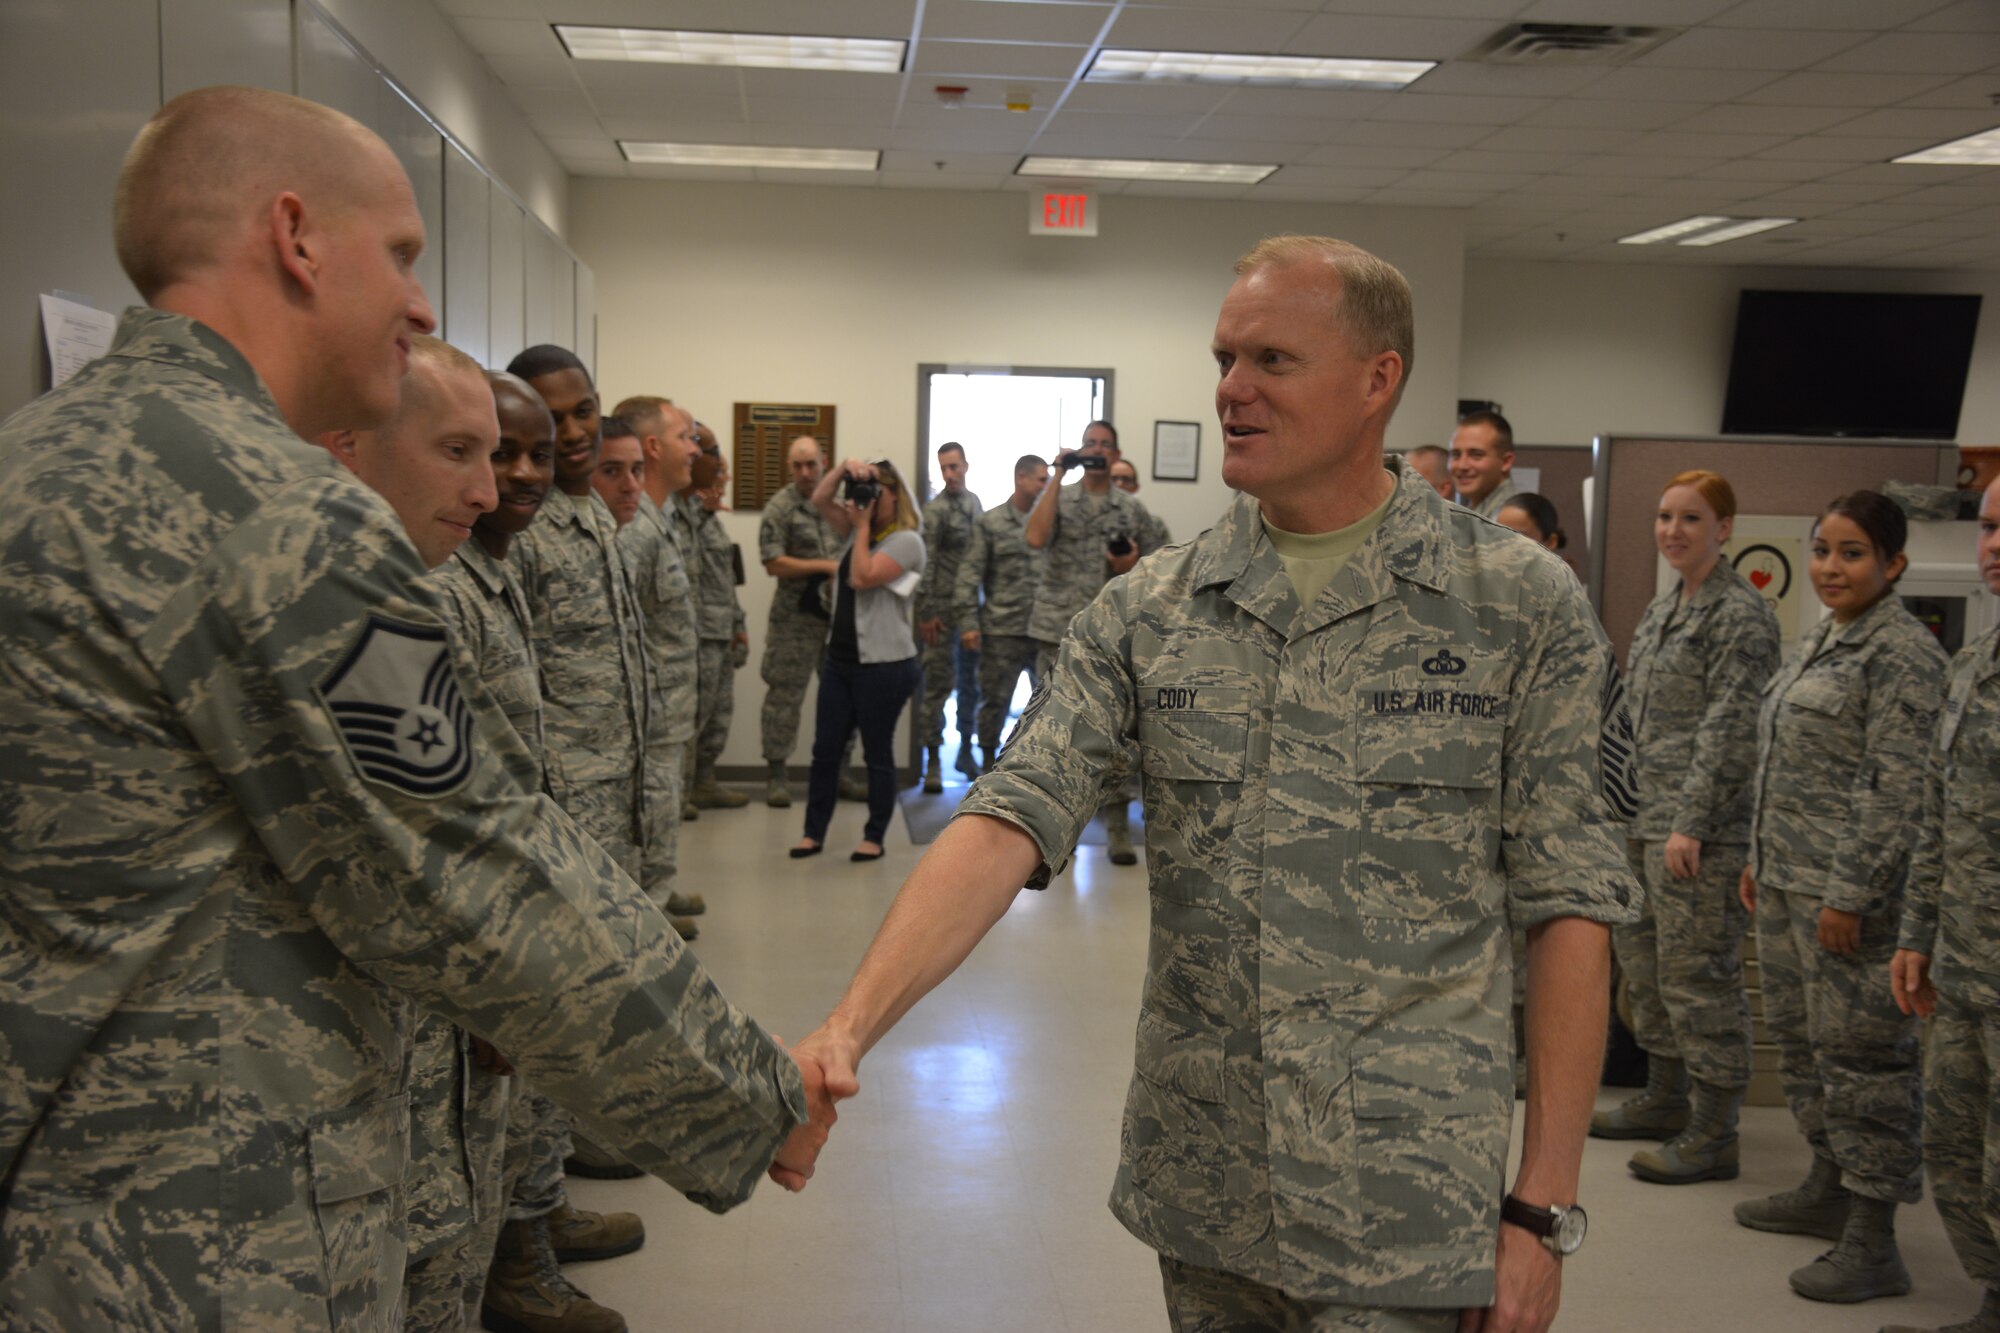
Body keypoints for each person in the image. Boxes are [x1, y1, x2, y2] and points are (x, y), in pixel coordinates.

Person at [0, 84, 831, 1329]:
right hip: (213, 1225)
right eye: (397, 253)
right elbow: (470, 866)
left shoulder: (35, 461)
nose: (422, 304)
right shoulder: (270, 504)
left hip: (62, 1196)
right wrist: (747, 1092)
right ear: (293, 237)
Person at [794, 235, 1639, 1333]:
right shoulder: (1155, 608)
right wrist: (847, 1028)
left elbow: (1567, 906)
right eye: (1223, 358)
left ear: (1377, 378)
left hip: (1407, 1199)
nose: (1230, 390)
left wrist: (1541, 1207)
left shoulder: (1515, 608)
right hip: (1208, 1189)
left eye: (1271, 362)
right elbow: (1007, 815)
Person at [1732, 491, 1944, 1305]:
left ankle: (1874, 1236)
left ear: (1893, 564)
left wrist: (1849, 892)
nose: (1829, 566)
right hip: (1787, 883)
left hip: (1848, 901)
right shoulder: (1823, 634)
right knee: (1803, 1044)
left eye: (1852, 552)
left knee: (1863, 1062)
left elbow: (1892, 791)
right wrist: (1758, 854)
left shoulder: (1902, 654)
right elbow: (1784, 753)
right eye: (1822, 549)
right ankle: (1827, 1180)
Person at [1593, 469, 1780, 1187]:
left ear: (1724, 529)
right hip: (1644, 820)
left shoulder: (1741, 614)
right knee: (1648, 973)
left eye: (1692, 519)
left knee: (1700, 979)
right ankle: (1665, 1098)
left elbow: (1731, 731)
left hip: (1696, 834)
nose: (1674, 530)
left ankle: (1713, 1129)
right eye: (1666, 517)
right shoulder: (1666, 607)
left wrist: (1691, 823)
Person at [1885, 473, 2000, 1333]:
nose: (1992, 545)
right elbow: (1937, 809)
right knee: (1956, 1151)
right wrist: (1917, 931)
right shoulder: (1973, 662)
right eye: (1988, 528)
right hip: (1964, 960)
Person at [1025, 419, 1160, 866]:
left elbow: (1160, 560)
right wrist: (1059, 473)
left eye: (1104, 445)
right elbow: (1036, 536)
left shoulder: (1130, 507)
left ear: (1116, 454)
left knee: (1115, 730)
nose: (1097, 451)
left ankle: (1118, 827)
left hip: (1111, 633)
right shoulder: (1058, 497)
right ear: (1080, 451)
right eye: (1089, 444)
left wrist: (1133, 560)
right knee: (1051, 728)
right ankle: (1050, 833)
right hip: (1057, 629)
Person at [599, 408, 703, 938]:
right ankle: (651, 900)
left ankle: (659, 884)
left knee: (664, 802)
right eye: (685, 437)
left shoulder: (659, 518)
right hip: (652, 704)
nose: (696, 449)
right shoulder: (635, 530)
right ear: (655, 446)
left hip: (671, 698)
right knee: (653, 802)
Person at [790, 458, 925, 863]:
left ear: (895, 493)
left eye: (875, 489)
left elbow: (862, 578)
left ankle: (874, 836)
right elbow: (819, 497)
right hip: (841, 660)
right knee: (825, 750)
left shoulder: (906, 541)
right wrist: (846, 470)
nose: (865, 498)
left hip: (885, 665)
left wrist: (862, 526)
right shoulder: (856, 532)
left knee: (877, 754)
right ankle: (813, 833)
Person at [759, 435, 843, 807]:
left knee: (843, 699)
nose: (806, 472)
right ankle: (777, 774)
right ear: (790, 467)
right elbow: (773, 561)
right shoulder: (781, 507)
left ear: (824, 462)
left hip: (836, 620)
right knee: (783, 698)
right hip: (794, 620)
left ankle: (840, 773)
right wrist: (825, 566)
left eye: (811, 464)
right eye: (798, 465)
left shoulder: (839, 504)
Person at [953, 454, 1050, 770]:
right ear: (1021, 477)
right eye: (1041, 479)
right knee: (994, 704)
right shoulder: (991, 523)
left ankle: (1038, 773)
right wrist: (968, 624)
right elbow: (969, 574)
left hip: (1043, 632)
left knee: (1050, 707)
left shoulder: (1050, 522)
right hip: (1001, 632)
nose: (1046, 485)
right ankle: (985, 768)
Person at [685, 451, 752, 811]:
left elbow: (724, 580)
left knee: (719, 713)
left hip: (722, 629)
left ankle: (705, 782)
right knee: (696, 713)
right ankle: (682, 791)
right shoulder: (688, 516)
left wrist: (738, 624)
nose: (725, 478)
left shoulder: (712, 520)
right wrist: (700, 511)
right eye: (721, 471)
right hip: (700, 633)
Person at [917, 441, 983, 792]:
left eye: (954, 467)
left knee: (971, 685)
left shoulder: (975, 504)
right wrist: (927, 611)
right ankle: (932, 761)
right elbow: (926, 563)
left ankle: (966, 750)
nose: (950, 474)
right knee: (937, 686)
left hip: (971, 611)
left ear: (966, 466)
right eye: (944, 468)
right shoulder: (936, 511)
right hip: (941, 612)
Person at [1451, 410, 1517, 518]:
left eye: (1476, 455)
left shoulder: (1509, 518)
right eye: (1456, 455)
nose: (1462, 465)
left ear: (1506, 462)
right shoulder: (1475, 512)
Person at [1111, 456, 1174, 553]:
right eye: (1113, 479)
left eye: (1126, 479)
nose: (1119, 484)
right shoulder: (1091, 520)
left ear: (1136, 487)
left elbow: (1167, 563)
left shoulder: (1156, 526)